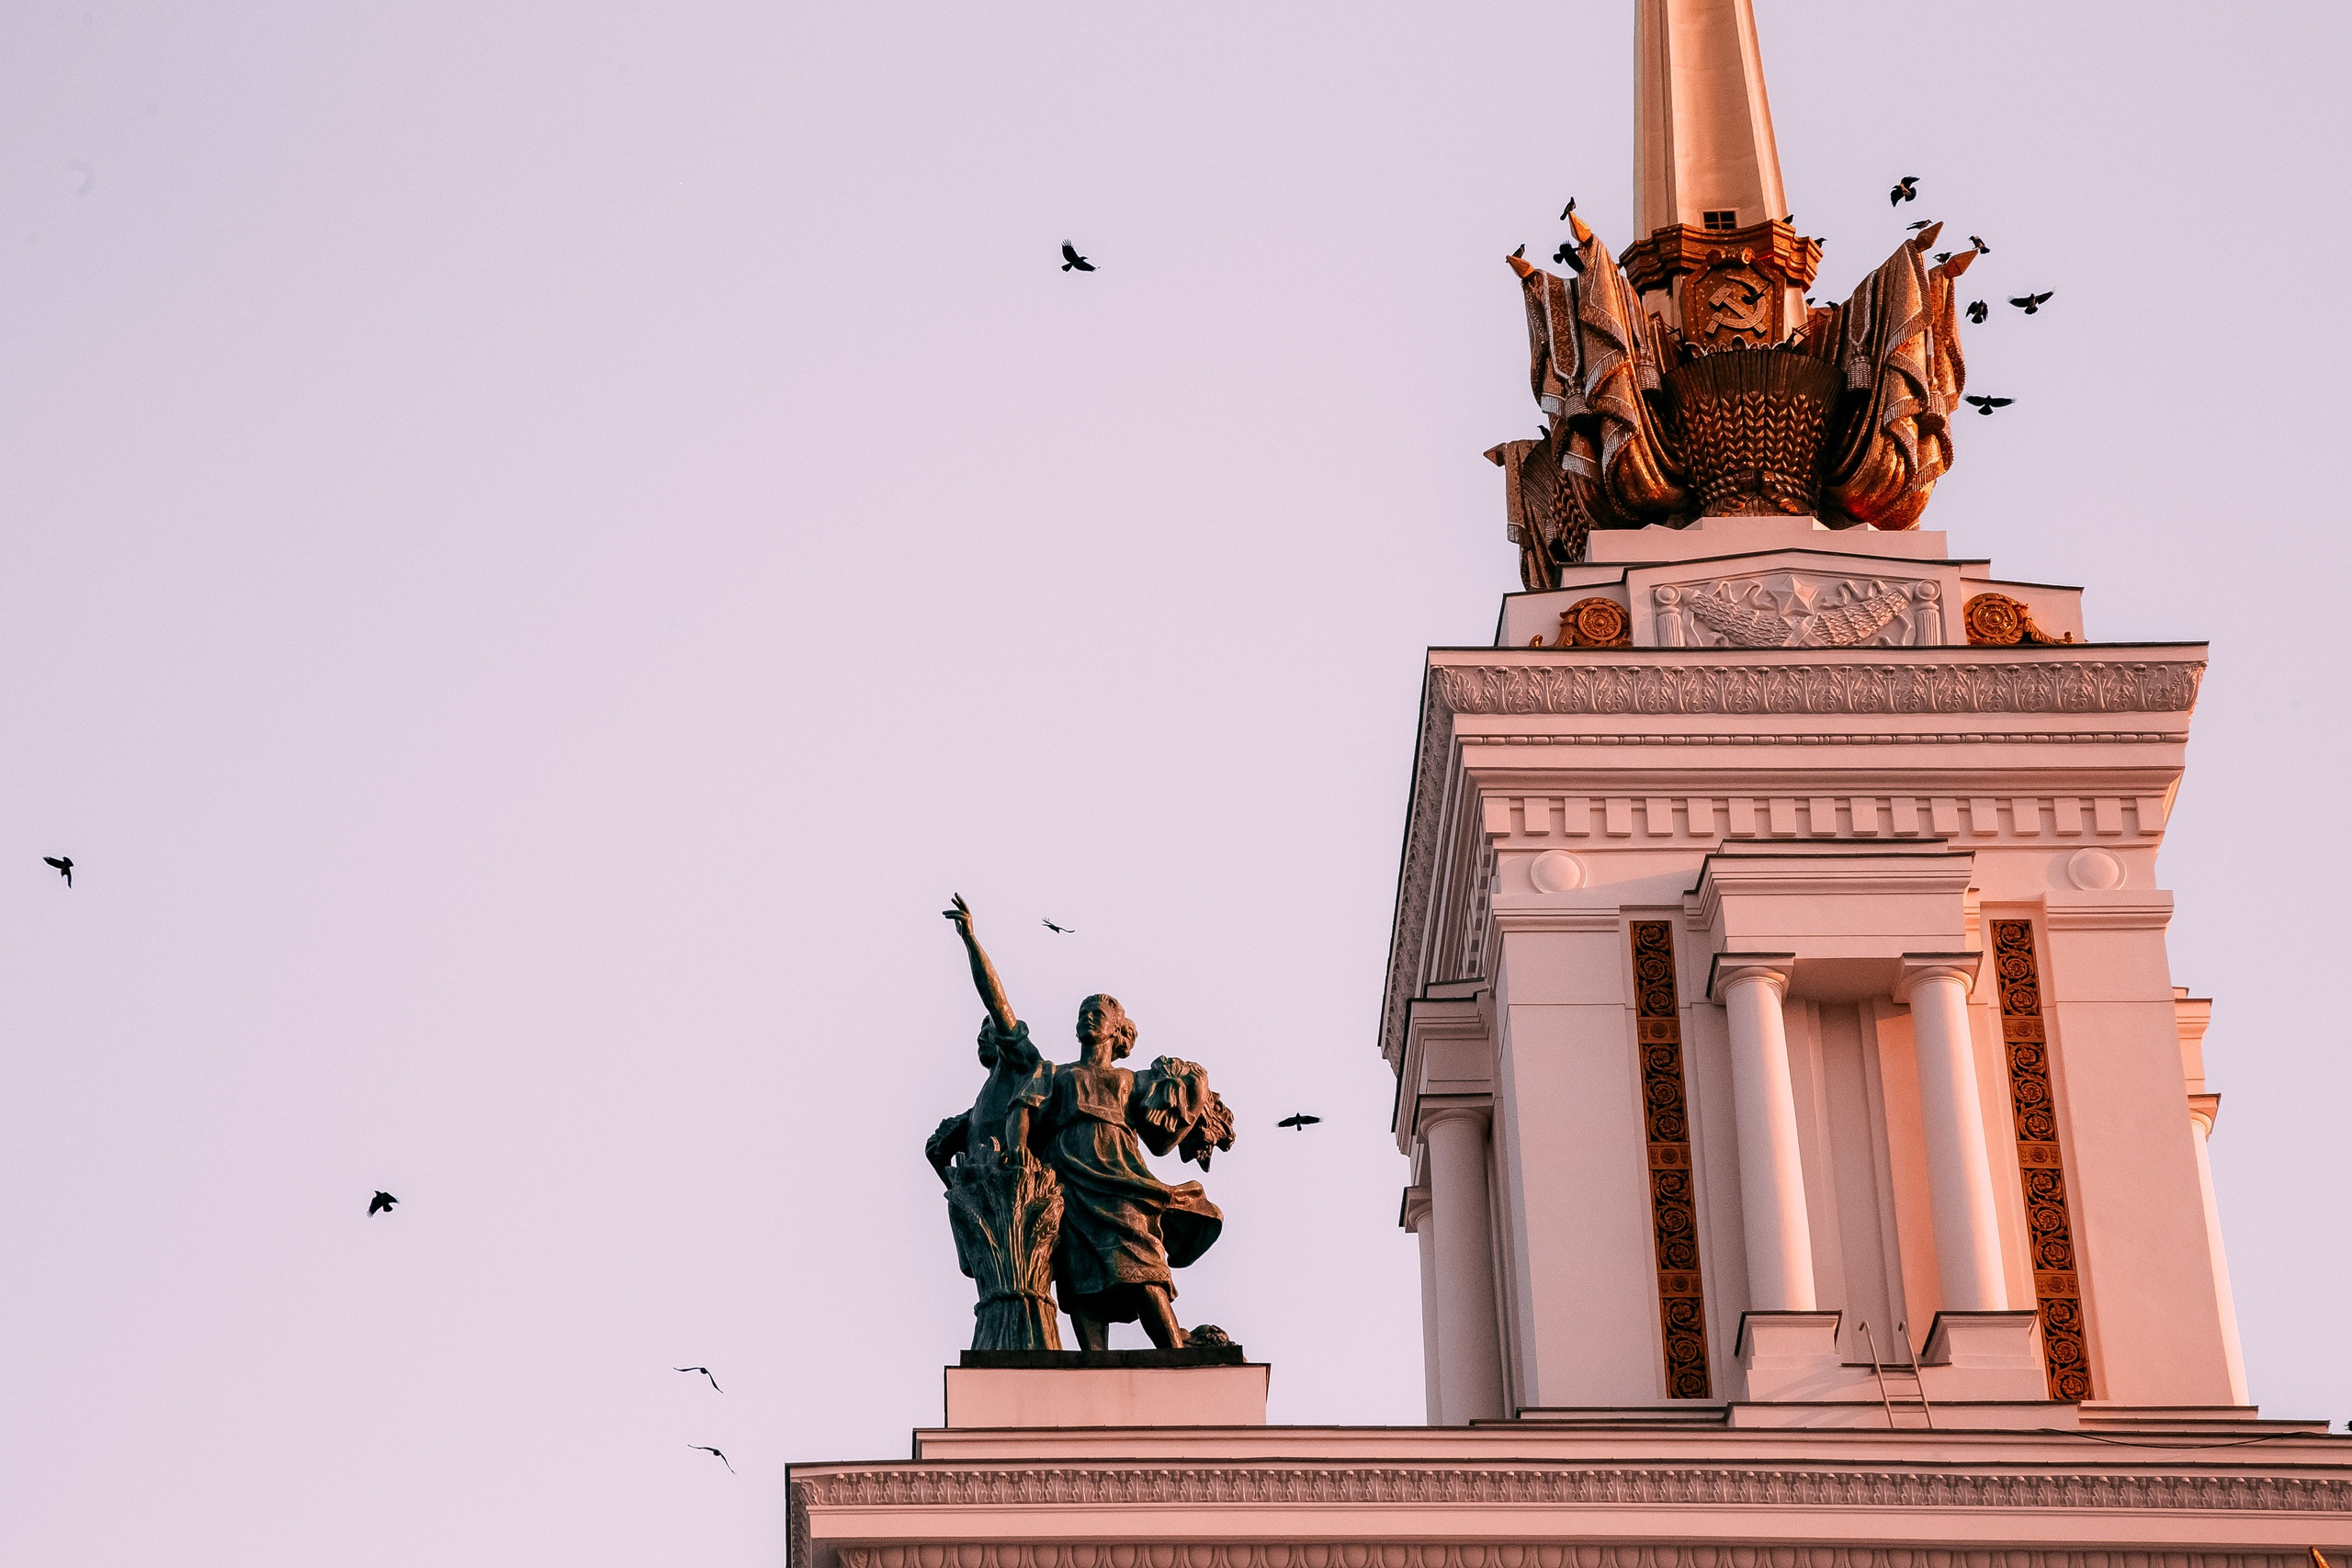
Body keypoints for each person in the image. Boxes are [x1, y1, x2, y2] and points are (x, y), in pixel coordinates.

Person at [940, 897, 1232, 1351]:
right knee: (1079, 1279)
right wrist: (972, 941)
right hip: (1070, 1185)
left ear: (1119, 1034)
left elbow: (1162, 1136)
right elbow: (1020, 1094)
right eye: (1084, 1011)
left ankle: (1173, 1344)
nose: (1088, 1016)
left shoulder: (1131, 1081)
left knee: (1142, 1262)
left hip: (1121, 1181)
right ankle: (1093, 1361)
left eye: (1100, 1012)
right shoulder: (1053, 1074)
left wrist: (1194, 1102)